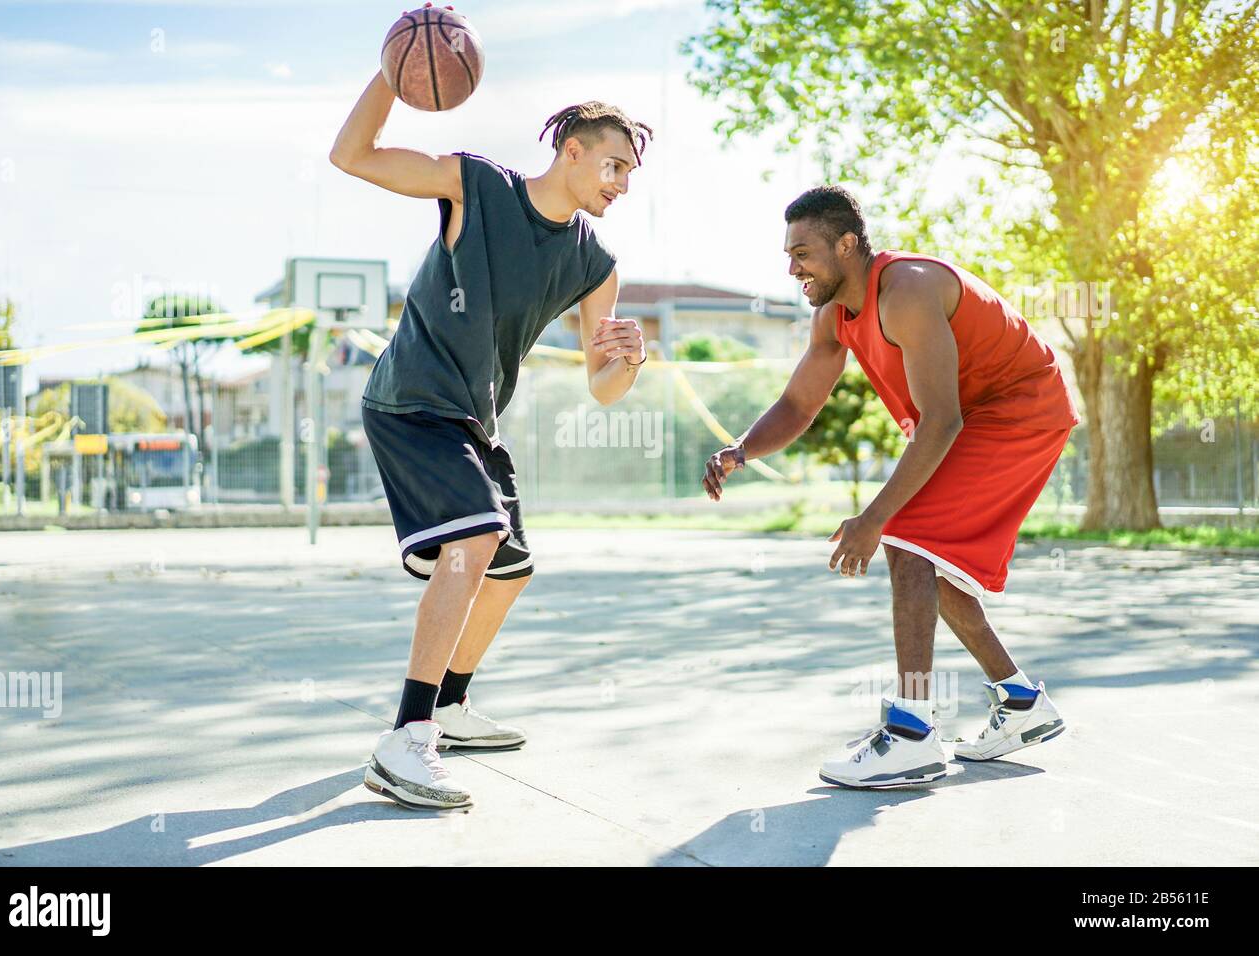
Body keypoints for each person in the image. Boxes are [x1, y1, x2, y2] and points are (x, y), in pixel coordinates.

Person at [330, 71, 652, 808]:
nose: (622, 185)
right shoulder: (475, 186)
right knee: (473, 542)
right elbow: (353, 155)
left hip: (475, 420)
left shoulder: (594, 263)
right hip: (411, 401)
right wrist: (392, 73)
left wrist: (629, 360)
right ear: (571, 152)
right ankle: (406, 738)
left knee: (510, 569)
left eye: (631, 174)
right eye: (614, 166)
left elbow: (602, 386)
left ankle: (449, 704)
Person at [704, 186, 1079, 788]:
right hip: (970, 415)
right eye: (788, 255)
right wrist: (742, 449)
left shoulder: (906, 291)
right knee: (925, 557)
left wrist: (874, 519)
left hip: (1018, 409)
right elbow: (800, 402)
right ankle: (1021, 704)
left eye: (803, 254)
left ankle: (911, 735)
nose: (791, 268)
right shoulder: (833, 314)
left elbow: (943, 421)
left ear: (847, 245)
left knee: (906, 537)